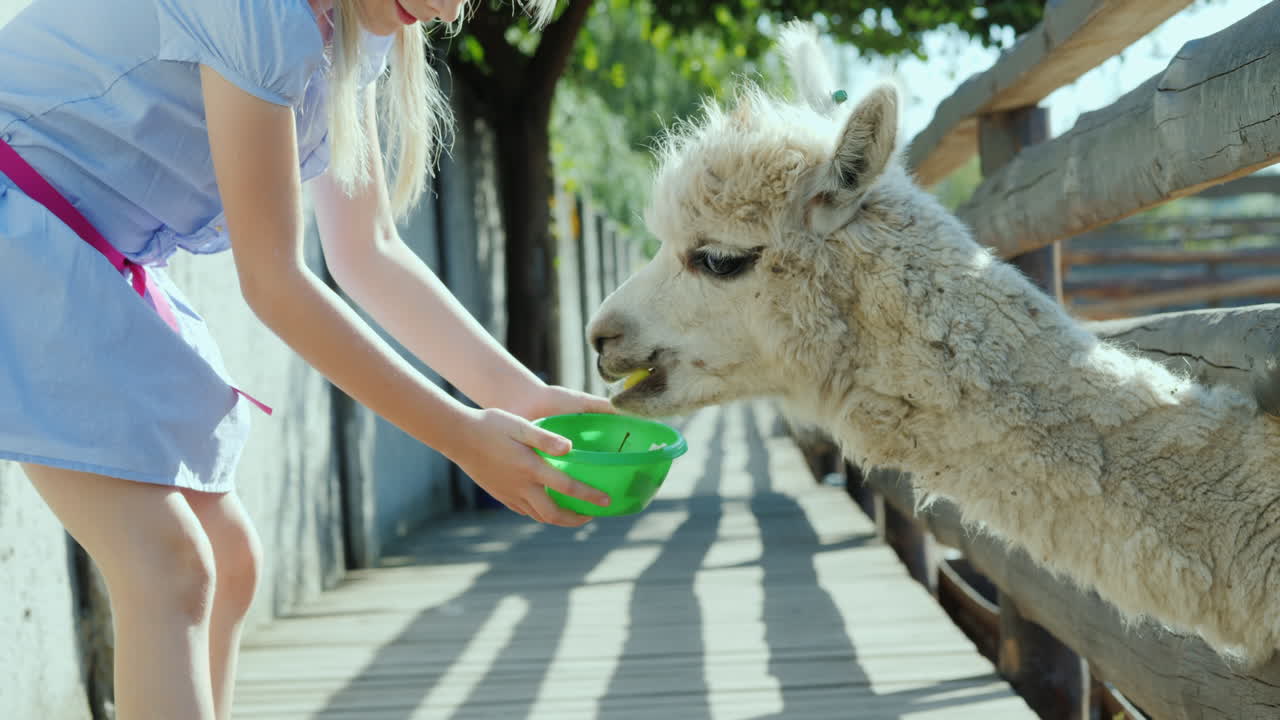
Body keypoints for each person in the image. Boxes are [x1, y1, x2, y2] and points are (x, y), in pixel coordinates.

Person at [0, 0, 612, 717]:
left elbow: (370, 252)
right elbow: (276, 285)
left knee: (229, 564)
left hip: (84, 252)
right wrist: (461, 437)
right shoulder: (258, 11)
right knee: (168, 568)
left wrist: (523, 397)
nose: (449, 10)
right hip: (27, 234)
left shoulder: (357, 34)